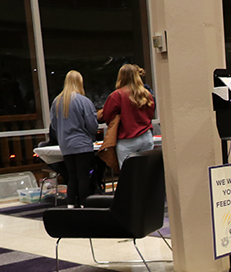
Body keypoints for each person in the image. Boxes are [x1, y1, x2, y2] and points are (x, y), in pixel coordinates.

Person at [49, 70, 97, 208]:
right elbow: (92, 125)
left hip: (66, 145)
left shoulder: (57, 102)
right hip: (82, 144)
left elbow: (54, 125)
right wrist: (91, 135)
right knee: (83, 176)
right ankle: (84, 204)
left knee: (72, 176)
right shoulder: (84, 101)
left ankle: (70, 203)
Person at [100, 63, 156, 168]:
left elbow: (107, 116)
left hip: (127, 139)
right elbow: (151, 112)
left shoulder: (117, 95)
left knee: (128, 172)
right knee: (146, 171)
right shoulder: (146, 94)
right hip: (146, 136)